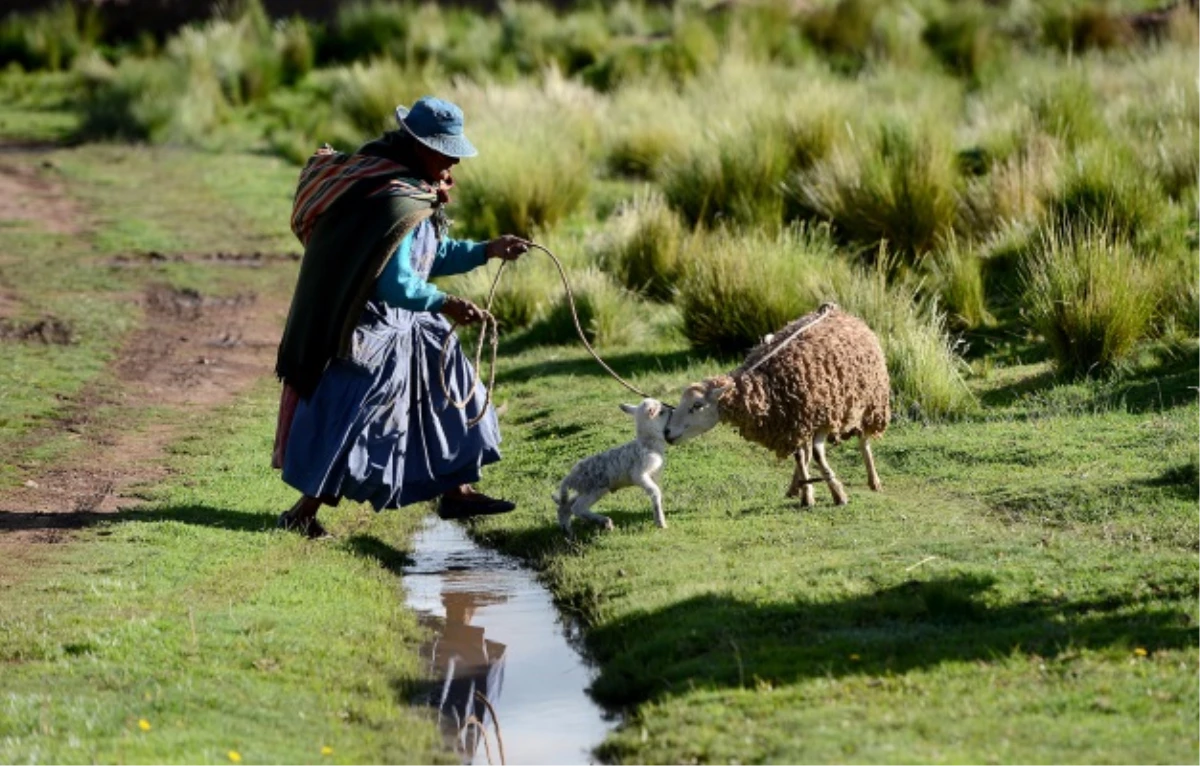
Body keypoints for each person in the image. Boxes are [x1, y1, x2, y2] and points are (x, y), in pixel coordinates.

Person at [272, 96, 529, 538]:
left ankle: (456, 490)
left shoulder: (413, 191)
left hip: (410, 322)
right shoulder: (392, 197)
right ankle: (301, 512)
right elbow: (395, 284)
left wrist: (487, 250)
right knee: (358, 417)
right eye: (444, 150)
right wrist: (446, 304)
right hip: (370, 328)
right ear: (418, 146)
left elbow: (430, 256)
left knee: (453, 387)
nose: (452, 160)